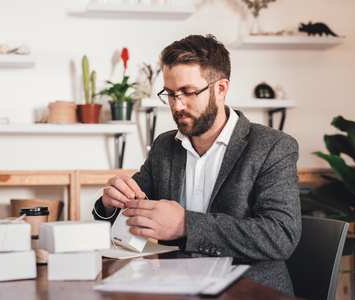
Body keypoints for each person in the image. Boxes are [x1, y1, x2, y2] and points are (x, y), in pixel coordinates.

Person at [93, 34, 301, 295]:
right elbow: (132, 206)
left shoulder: (273, 146)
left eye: (188, 92)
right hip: (175, 287)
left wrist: (186, 225)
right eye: (169, 94)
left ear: (221, 88)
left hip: (250, 291)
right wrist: (109, 203)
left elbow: (280, 236)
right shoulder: (164, 146)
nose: (177, 105)